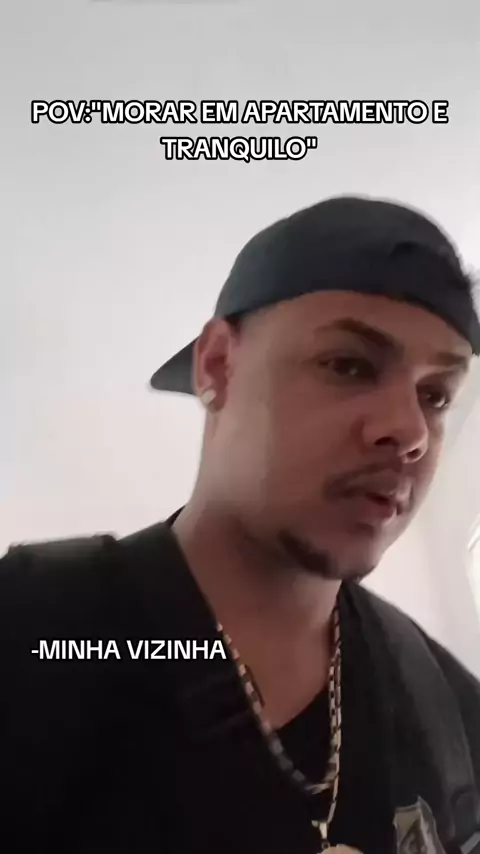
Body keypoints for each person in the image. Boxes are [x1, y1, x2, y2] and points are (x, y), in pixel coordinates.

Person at [1, 196, 480, 854]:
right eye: (349, 365)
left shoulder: (448, 713)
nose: (410, 430)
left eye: (435, 395)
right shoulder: (33, 629)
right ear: (218, 366)